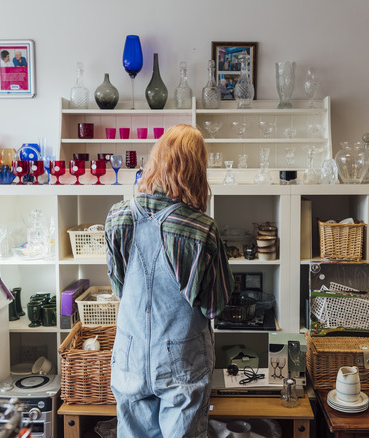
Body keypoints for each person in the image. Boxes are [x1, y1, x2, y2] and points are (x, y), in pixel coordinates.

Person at [105, 124, 233, 438]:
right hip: (183, 359)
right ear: (197, 170)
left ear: (156, 160)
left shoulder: (117, 217)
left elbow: (120, 288)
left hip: (130, 354)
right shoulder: (202, 229)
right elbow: (215, 306)